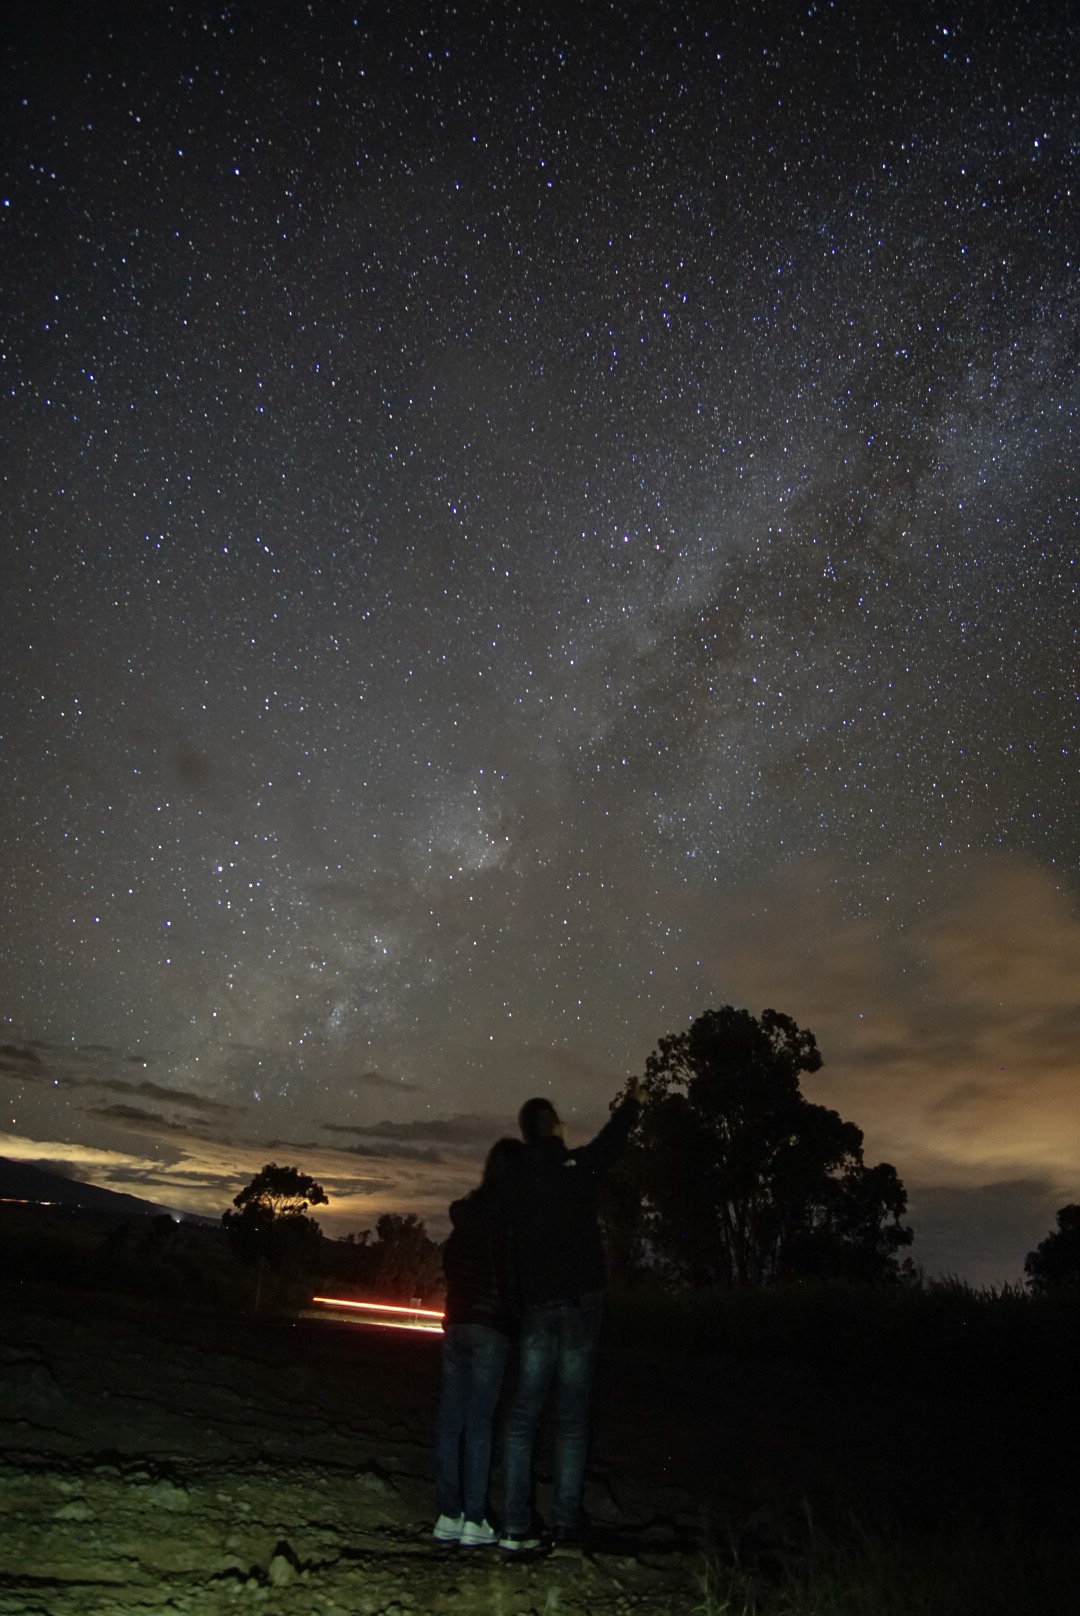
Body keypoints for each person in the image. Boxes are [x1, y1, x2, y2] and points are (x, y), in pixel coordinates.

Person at [499, 1080, 644, 1554]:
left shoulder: (517, 1179)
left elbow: (508, 1243)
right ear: (553, 1126)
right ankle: (564, 1523)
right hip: (580, 1301)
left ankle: (516, 1524)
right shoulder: (575, 1167)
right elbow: (608, 1147)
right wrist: (631, 1108)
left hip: (538, 1305)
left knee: (524, 1414)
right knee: (572, 1417)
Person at [432, 1136, 522, 1547]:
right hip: (490, 1326)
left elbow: (449, 1263)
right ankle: (475, 1518)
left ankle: (448, 1514)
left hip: (457, 1321)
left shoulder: (465, 1216)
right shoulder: (511, 1218)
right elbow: (513, 1274)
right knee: (480, 1423)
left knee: (451, 1419)